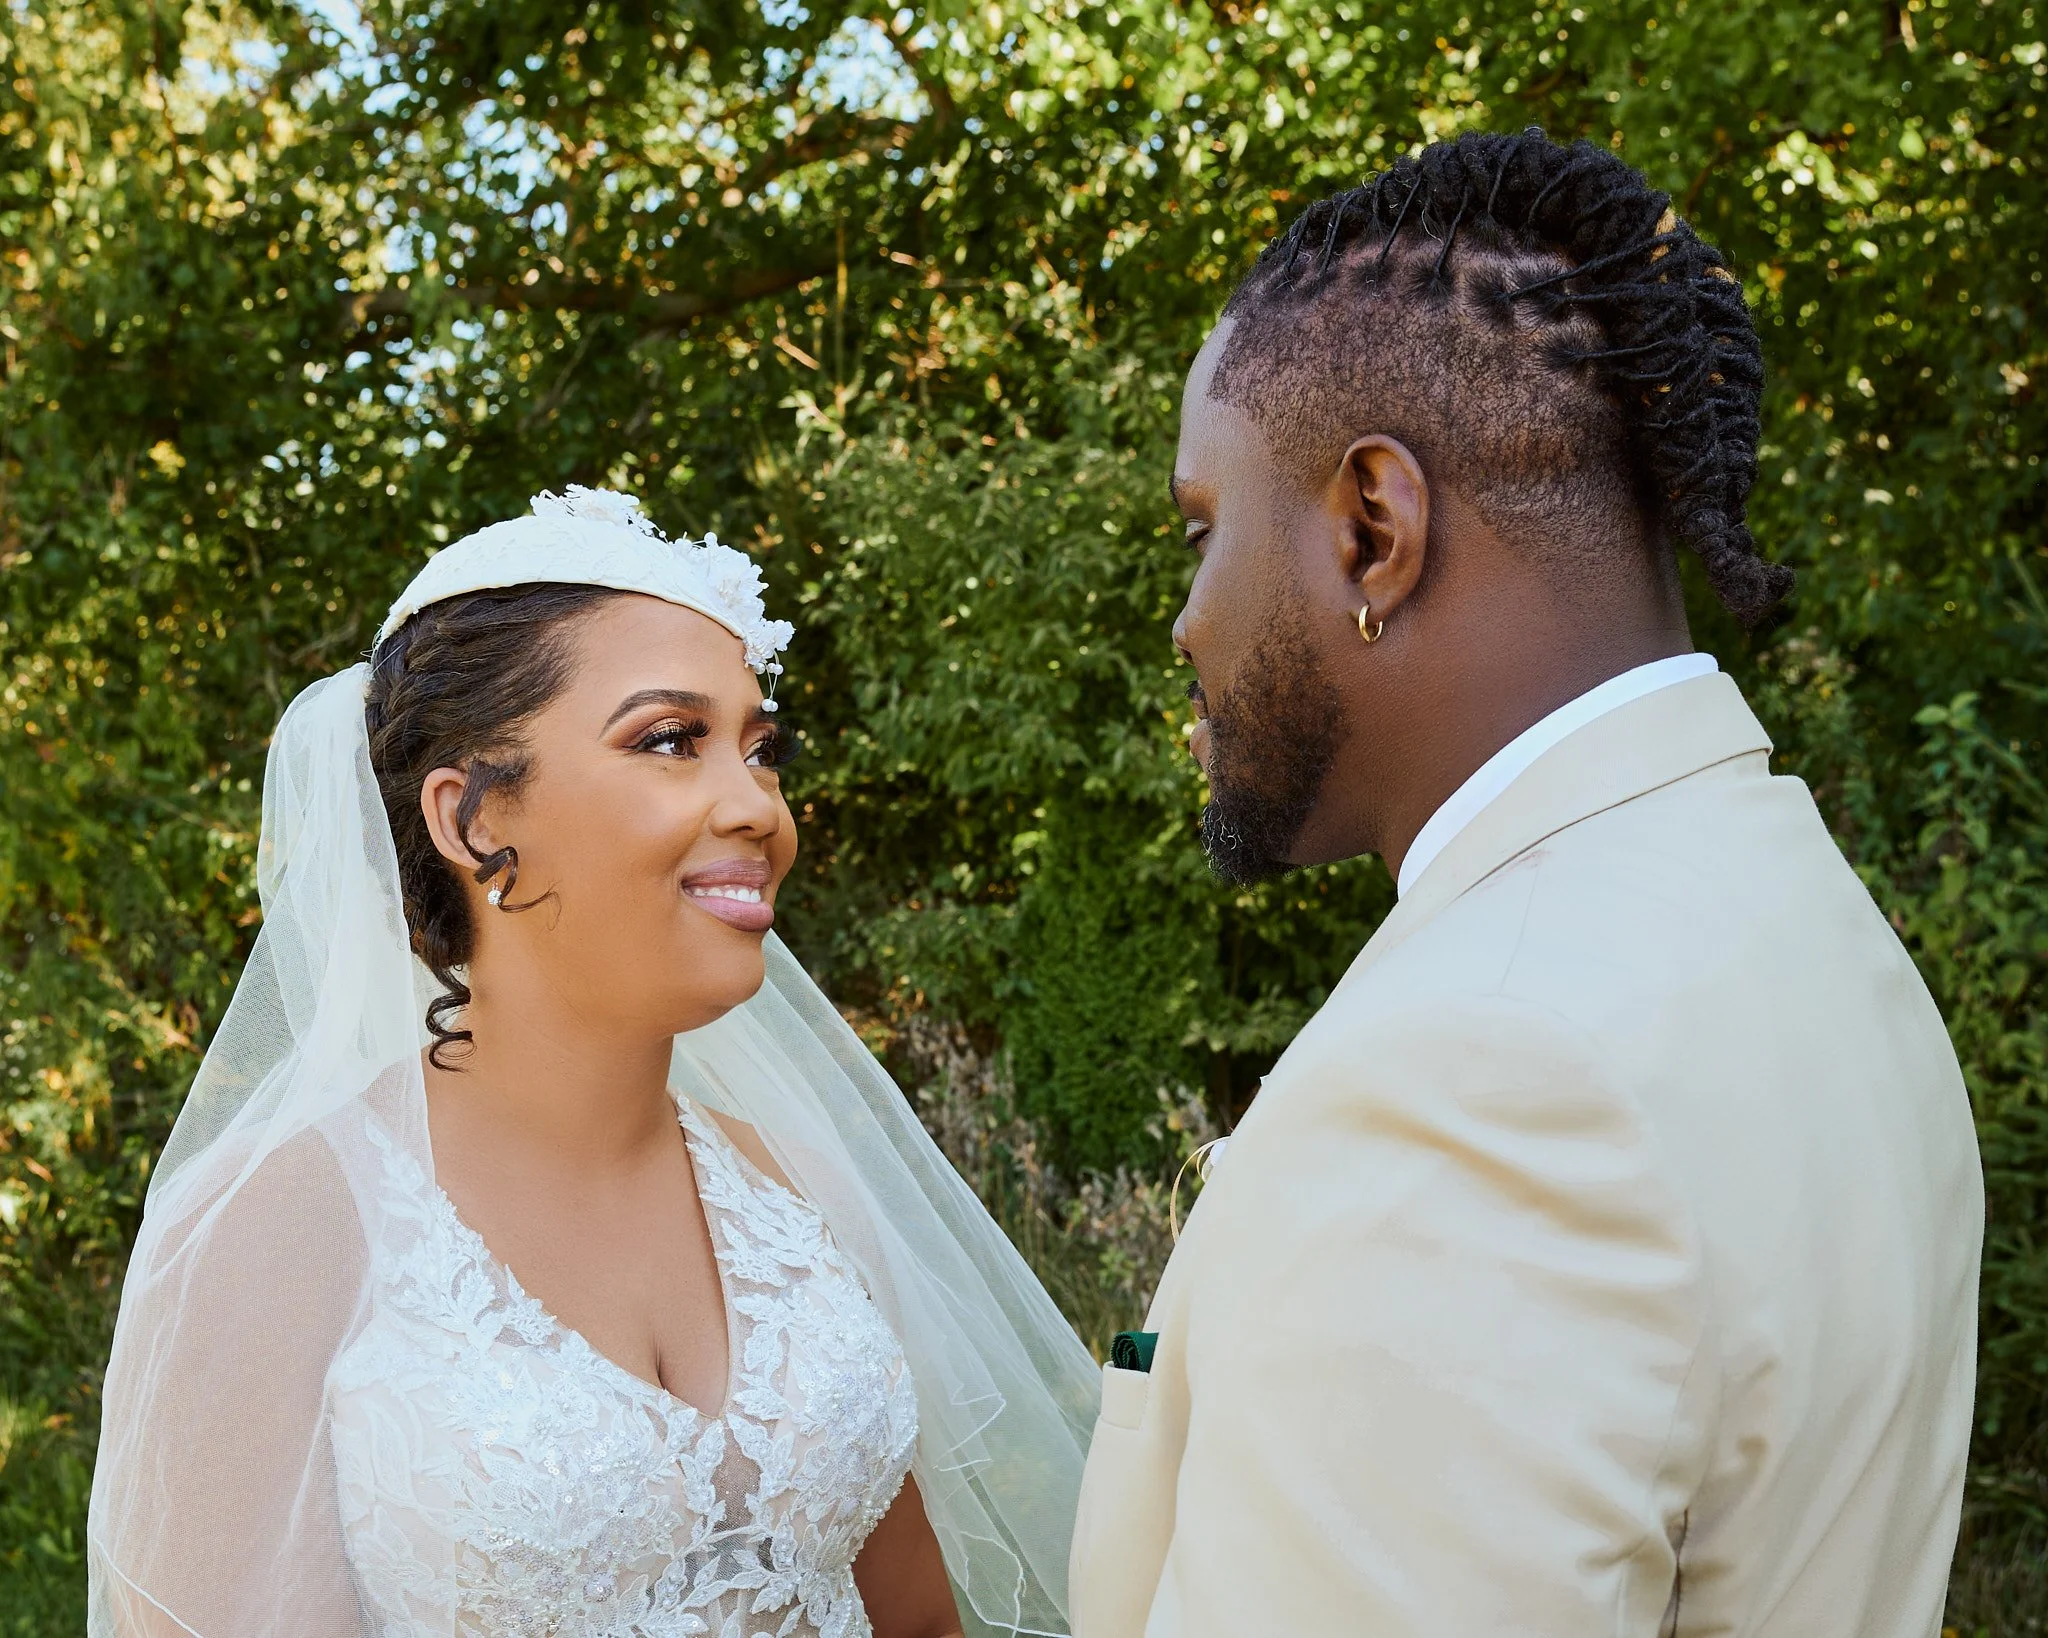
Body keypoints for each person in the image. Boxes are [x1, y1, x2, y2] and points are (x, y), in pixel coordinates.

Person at [1067, 129, 1983, 1637]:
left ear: (1374, 527)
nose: (1184, 620)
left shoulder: (1479, 1077)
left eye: (1202, 530)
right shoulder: (1807, 919)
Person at [89, 486, 1099, 1637]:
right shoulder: (271, 1231)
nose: (757, 804)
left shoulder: (800, 1196)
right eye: (669, 739)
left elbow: (915, 1620)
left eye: (759, 748)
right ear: (469, 820)